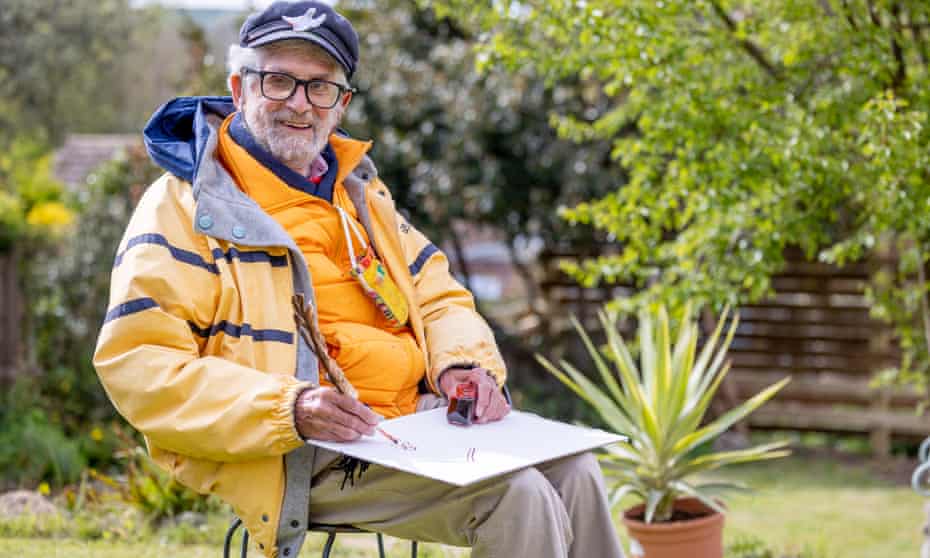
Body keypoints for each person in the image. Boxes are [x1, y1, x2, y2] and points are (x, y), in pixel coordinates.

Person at [93, 2, 625, 557]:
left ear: (341, 103)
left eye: (320, 87)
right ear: (240, 86)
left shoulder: (359, 195)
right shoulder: (184, 206)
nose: (299, 104)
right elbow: (139, 366)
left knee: (576, 470)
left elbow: (438, 293)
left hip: (413, 427)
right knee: (518, 495)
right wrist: (290, 409)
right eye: (278, 81)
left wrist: (462, 365)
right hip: (297, 451)